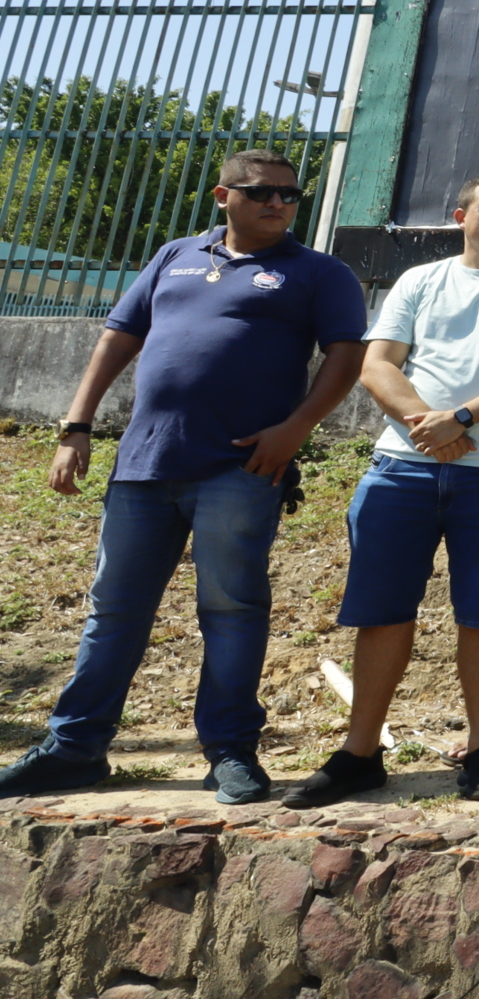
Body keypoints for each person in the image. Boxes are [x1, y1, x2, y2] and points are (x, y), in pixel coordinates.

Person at [0, 151, 366, 805]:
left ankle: (229, 749)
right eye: (261, 193)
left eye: (289, 194)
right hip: (143, 464)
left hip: (241, 466)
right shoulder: (175, 255)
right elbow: (118, 335)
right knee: (113, 612)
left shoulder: (317, 272)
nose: (278, 203)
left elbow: (346, 354)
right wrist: (75, 424)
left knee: (230, 609)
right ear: (223, 194)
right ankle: (74, 748)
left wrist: (299, 427)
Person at [282, 175, 479, 809]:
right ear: (460, 215)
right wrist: (429, 427)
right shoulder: (419, 280)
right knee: (383, 611)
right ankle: (359, 753)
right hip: (402, 469)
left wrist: (462, 419)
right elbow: (377, 364)